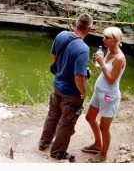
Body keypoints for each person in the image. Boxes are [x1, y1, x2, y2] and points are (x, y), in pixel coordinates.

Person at [38, 13, 93, 161]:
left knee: (53, 114)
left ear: (76, 24)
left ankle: (44, 142)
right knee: (66, 122)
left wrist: (62, 69)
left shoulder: (61, 35)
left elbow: (54, 57)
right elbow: (79, 77)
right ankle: (57, 152)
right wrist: (83, 93)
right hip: (71, 93)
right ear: (89, 29)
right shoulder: (83, 49)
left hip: (57, 85)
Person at [82, 26, 126, 163]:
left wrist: (101, 64)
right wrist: (100, 62)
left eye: (107, 38)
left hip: (110, 96)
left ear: (116, 40)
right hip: (99, 92)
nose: (104, 40)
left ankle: (103, 155)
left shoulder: (119, 58)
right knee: (89, 118)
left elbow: (112, 79)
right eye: (104, 37)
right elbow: (104, 70)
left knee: (104, 127)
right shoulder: (109, 51)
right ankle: (97, 145)